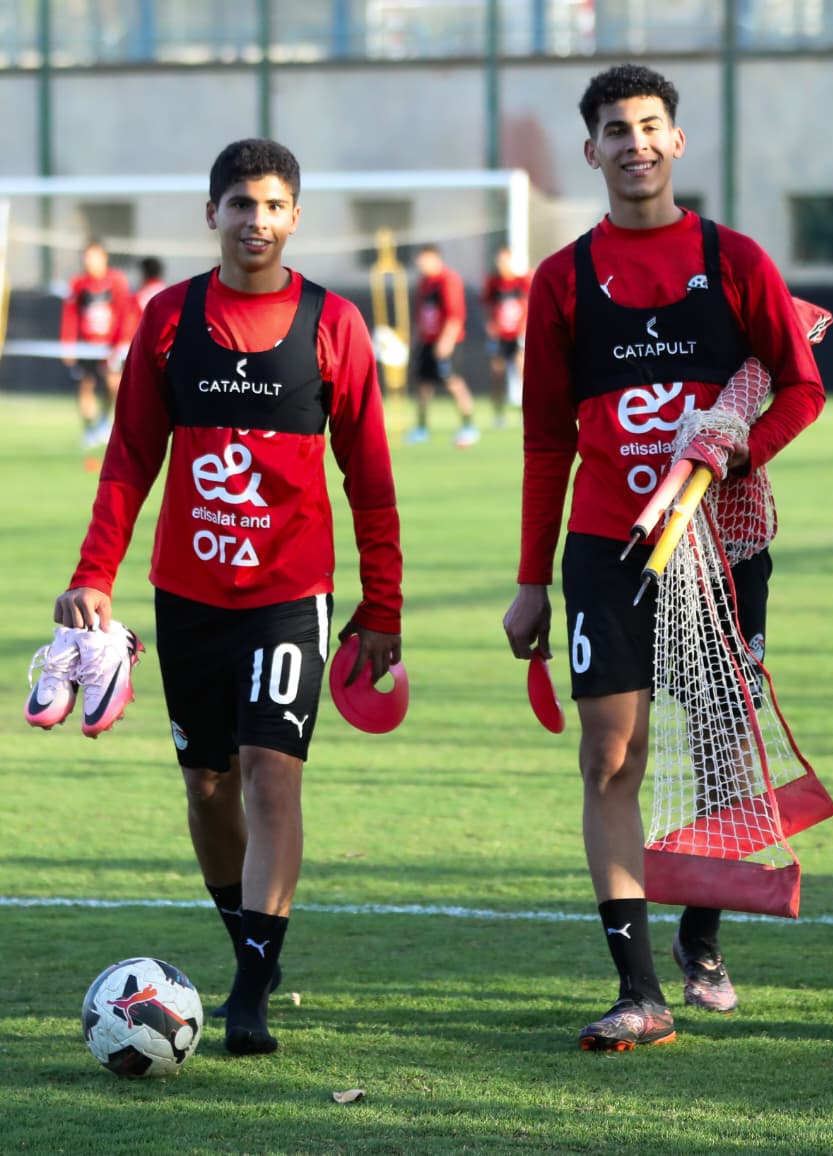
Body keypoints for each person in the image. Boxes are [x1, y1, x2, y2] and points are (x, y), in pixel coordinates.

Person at [49, 138, 403, 1056]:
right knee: (207, 787)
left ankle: (251, 982)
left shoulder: (334, 326)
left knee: (269, 774)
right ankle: (245, 936)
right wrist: (94, 573)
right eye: (241, 204)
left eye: (274, 205)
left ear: (295, 217)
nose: (257, 221)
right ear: (213, 214)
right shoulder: (168, 320)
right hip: (188, 596)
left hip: (291, 596)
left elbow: (368, 475)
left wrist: (385, 603)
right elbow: (130, 459)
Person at [502, 63, 824, 1051]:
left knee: (724, 745)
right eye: (613, 129)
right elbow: (547, 441)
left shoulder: (732, 258)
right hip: (607, 546)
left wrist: (735, 458)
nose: (633, 142)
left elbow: (800, 387)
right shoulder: (560, 281)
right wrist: (528, 580)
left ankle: (702, 929)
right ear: (592, 151)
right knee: (609, 755)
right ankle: (635, 986)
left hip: (721, 546)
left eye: (649, 126)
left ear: (674, 142)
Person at [60, 238, 132, 448]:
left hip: (110, 347)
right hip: (86, 347)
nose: (89, 261)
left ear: (104, 257)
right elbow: (70, 314)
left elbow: (124, 313)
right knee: (85, 387)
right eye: (87, 256)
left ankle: (104, 421)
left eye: (94, 256)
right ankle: (90, 430)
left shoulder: (116, 281)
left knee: (114, 384)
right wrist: (68, 344)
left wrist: (119, 343)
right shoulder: (78, 284)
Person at [405, 243, 479, 447]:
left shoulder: (448, 280)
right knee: (422, 385)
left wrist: (446, 342)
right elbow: (421, 315)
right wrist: (415, 341)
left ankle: (468, 427)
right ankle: (421, 428)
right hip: (427, 342)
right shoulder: (424, 283)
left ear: (435, 258)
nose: (420, 263)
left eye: (424, 259)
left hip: (447, 342)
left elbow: (455, 316)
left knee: (453, 382)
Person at [480, 244, 532, 428]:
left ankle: (525, 414)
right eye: (500, 260)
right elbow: (487, 307)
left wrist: (524, 328)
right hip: (499, 336)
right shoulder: (493, 283)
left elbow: (530, 304)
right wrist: (490, 326)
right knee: (497, 374)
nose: (503, 264)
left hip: (518, 335)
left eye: (506, 260)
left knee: (523, 374)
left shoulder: (522, 281)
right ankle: (498, 414)